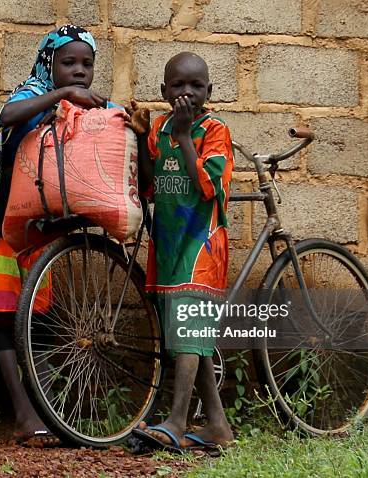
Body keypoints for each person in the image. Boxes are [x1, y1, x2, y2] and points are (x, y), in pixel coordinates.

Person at [0, 24, 116, 448]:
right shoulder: (30, 93)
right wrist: (62, 97)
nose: (79, 71)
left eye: (87, 64)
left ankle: (45, 411)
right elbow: (8, 117)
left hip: (38, 227)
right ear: (49, 64)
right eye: (68, 63)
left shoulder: (91, 107)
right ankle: (25, 414)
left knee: (34, 317)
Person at [127, 52, 234, 452]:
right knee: (189, 334)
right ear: (163, 91)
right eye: (177, 86)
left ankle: (177, 420)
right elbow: (151, 186)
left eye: (196, 86)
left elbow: (208, 185)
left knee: (190, 329)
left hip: (202, 243)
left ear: (210, 92)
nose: (186, 92)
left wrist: (187, 137)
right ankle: (217, 427)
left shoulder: (214, 131)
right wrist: (140, 136)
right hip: (170, 242)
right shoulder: (160, 129)